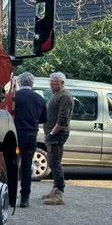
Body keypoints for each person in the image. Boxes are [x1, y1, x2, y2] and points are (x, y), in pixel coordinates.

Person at [13, 72, 46, 208]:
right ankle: (25, 198)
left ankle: (10, 196)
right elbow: (44, 119)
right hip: (31, 136)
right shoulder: (39, 98)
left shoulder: (15, 97)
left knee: (13, 164)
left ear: (20, 82)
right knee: (27, 166)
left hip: (16, 135)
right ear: (32, 83)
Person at [43, 71, 74, 206]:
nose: (51, 85)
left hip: (57, 135)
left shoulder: (65, 97)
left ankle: (59, 194)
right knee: (53, 163)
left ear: (62, 83)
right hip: (53, 135)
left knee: (55, 163)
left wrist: (51, 133)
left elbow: (63, 119)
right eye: (51, 82)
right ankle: (55, 190)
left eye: (54, 82)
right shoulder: (57, 95)